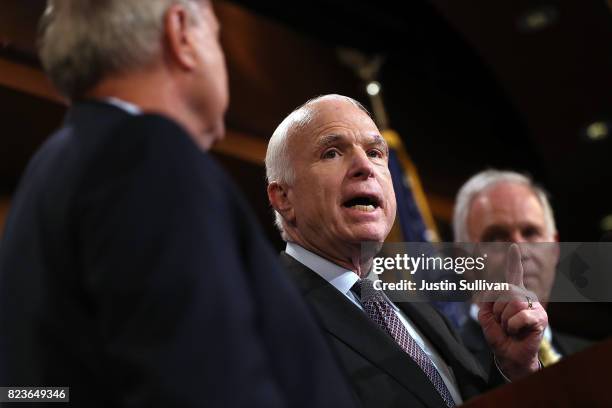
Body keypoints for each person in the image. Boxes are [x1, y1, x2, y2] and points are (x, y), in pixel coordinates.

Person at [0, 2, 356, 407]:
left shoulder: (53, 165)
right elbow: (206, 383)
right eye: (216, 38)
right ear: (181, 33)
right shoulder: (146, 154)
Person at [266, 94, 548, 408]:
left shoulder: (416, 308)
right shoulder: (266, 312)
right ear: (283, 198)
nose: (364, 166)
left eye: (375, 153)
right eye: (332, 153)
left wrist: (513, 369)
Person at [453, 169, 592, 373]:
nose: (519, 249)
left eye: (530, 232)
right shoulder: (448, 368)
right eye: (496, 237)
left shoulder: (596, 359)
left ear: (554, 249)